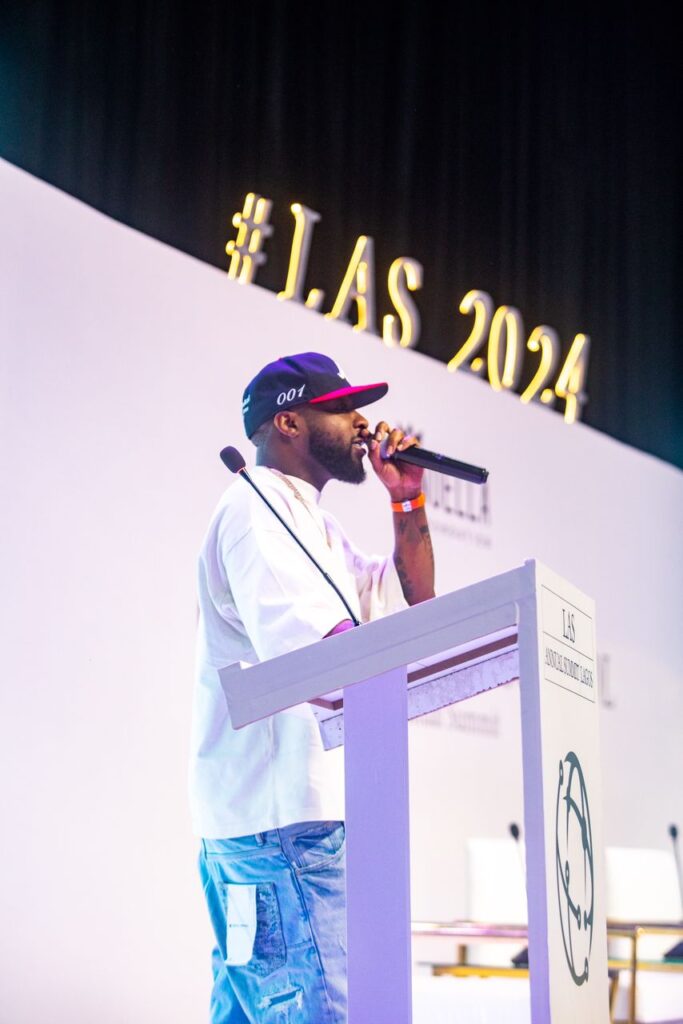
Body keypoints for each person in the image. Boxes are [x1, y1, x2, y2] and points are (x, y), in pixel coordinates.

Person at [189, 351, 435, 1023]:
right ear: (289, 422)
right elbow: (318, 657)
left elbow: (410, 601)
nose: (362, 423)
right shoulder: (255, 510)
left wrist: (406, 496)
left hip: (274, 830)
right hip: (279, 830)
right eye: (343, 408)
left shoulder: (314, 525)